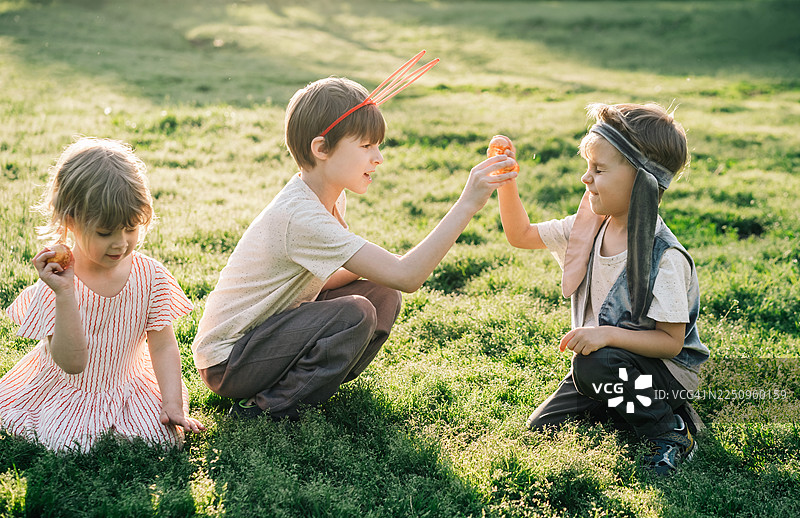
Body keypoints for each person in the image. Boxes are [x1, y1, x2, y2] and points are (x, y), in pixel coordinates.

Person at [192, 52, 517, 421]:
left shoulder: (328, 195)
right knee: (357, 311)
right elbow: (409, 276)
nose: (378, 157)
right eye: (366, 146)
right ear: (321, 149)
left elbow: (332, 277)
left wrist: (381, 268)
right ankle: (265, 407)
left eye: (377, 145)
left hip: (267, 335)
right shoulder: (301, 215)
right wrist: (467, 204)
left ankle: (306, 384)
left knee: (381, 294)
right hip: (230, 360)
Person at [496, 103, 710, 475]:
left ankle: (670, 428)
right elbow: (520, 235)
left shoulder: (664, 256)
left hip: (665, 374)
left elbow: (671, 343)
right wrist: (507, 182)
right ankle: (619, 401)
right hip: (608, 361)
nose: (586, 178)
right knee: (542, 428)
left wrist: (606, 334)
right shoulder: (589, 228)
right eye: (587, 167)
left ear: (641, 180)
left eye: (599, 169)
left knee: (595, 363)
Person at [0, 137, 206, 452]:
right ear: (71, 221)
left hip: (129, 383)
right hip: (71, 387)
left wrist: (172, 403)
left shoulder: (149, 276)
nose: (121, 243)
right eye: (105, 232)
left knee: (163, 440)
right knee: (70, 445)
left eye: (131, 228)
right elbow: (71, 364)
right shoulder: (57, 285)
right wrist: (65, 294)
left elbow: (163, 345)